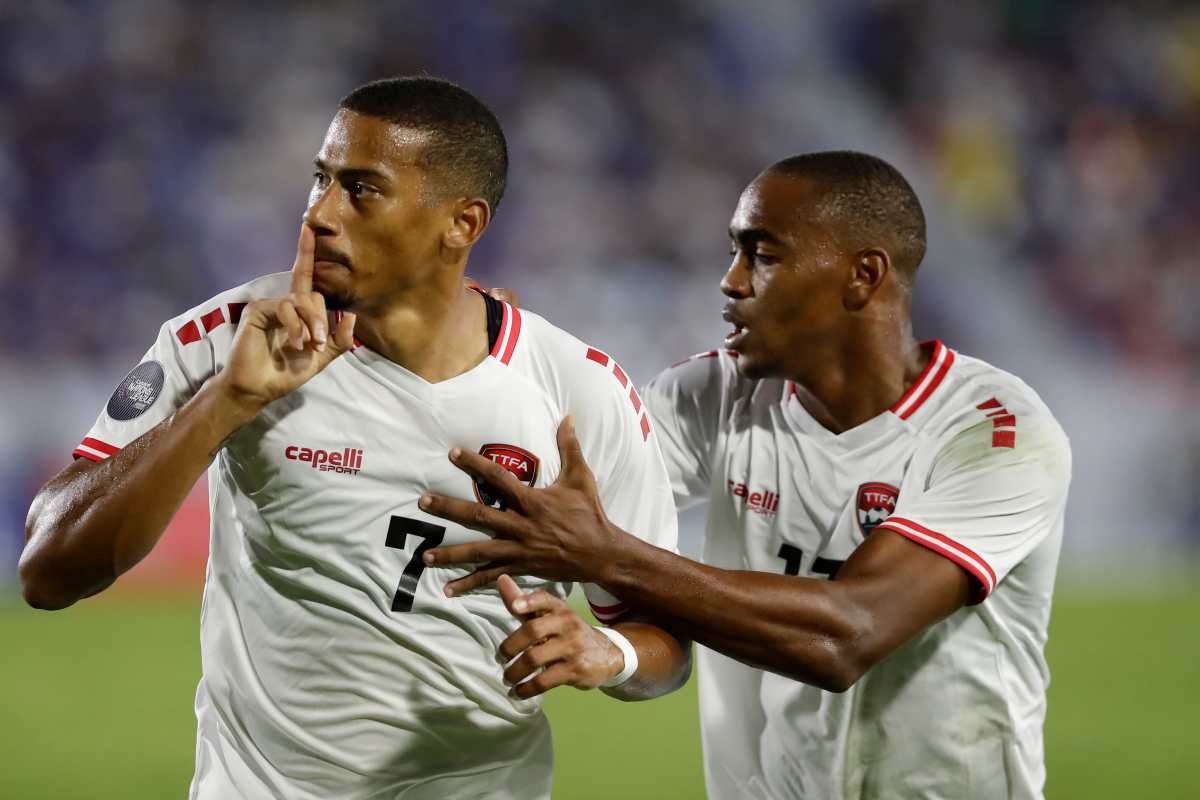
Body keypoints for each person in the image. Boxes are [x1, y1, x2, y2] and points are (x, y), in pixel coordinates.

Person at [19, 76, 690, 800]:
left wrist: (608, 651)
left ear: (461, 224)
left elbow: (666, 645)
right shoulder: (227, 339)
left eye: (362, 190)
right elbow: (49, 571)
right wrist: (226, 403)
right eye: (321, 179)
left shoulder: (579, 396)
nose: (319, 213)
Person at [417, 151, 1072, 799]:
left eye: (763, 255)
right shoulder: (712, 397)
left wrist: (608, 555)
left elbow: (848, 634)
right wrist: (490, 362)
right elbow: (543, 489)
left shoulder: (995, 431)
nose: (730, 282)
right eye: (734, 252)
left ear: (863, 275)